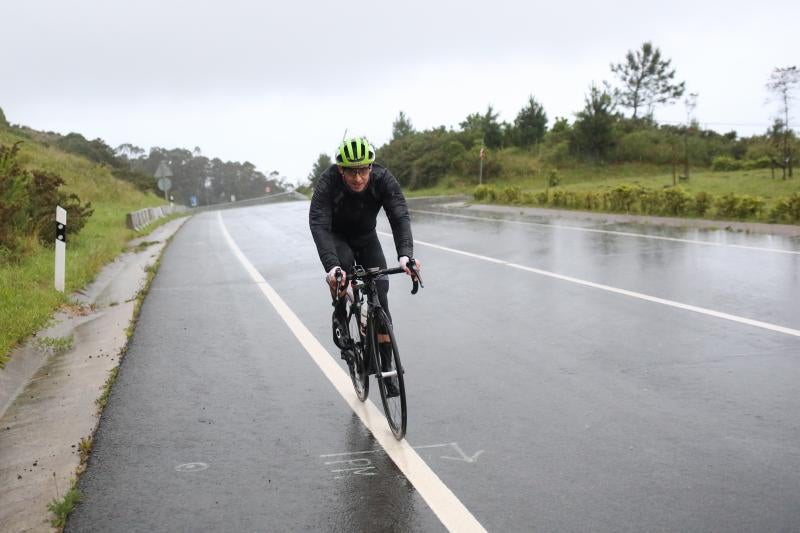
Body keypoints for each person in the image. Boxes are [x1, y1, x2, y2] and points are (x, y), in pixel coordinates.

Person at [309, 137, 420, 395]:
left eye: (363, 170)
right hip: (337, 238)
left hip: (367, 238)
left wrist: (406, 256)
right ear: (341, 170)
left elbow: (399, 216)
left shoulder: (383, 179)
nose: (358, 178)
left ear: (371, 166)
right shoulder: (328, 184)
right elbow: (319, 225)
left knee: (380, 294)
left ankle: (387, 367)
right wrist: (331, 267)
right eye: (351, 171)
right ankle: (340, 308)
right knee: (342, 272)